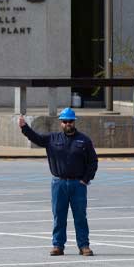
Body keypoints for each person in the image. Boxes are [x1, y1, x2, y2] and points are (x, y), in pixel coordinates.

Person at [18, 107, 98, 256]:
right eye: (65, 121)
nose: (68, 124)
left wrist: (86, 179)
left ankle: (84, 246)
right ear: (61, 123)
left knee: (80, 216)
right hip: (59, 184)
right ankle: (58, 245)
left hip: (78, 185)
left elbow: (93, 161)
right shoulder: (52, 139)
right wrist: (24, 127)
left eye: (70, 121)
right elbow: (36, 138)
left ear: (74, 122)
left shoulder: (84, 140)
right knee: (59, 216)